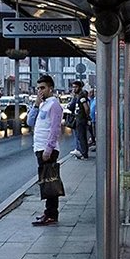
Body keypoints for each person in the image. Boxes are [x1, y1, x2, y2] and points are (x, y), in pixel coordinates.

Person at [27, 75, 63, 226]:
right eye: (38, 88)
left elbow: (55, 128)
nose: (40, 91)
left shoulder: (54, 105)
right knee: (45, 181)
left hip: (48, 149)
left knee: (50, 182)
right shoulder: (42, 104)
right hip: (39, 147)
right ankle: (48, 212)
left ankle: (51, 214)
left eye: (42, 88)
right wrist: (35, 104)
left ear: (50, 88)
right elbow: (30, 121)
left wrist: (49, 149)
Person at [70, 81, 90, 160]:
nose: (74, 89)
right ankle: (80, 151)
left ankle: (84, 153)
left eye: (76, 87)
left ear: (80, 87)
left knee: (81, 137)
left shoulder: (82, 97)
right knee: (79, 136)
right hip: (78, 118)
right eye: (73, 87)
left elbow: (86, 108)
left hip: (81, 119)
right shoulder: (77, 96)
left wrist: (86, 117)